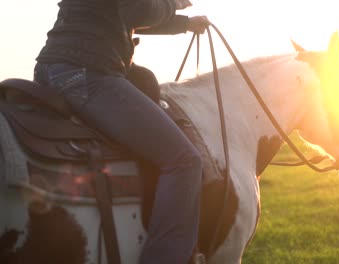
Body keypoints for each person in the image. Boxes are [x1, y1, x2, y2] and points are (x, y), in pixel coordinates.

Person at [34, 0, 211, 263]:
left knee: (145, 80)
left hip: (52, 67)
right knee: (185, 161)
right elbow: (138, 10)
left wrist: (183, 24)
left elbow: (119, 14)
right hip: (88, 73)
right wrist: (172, 4)